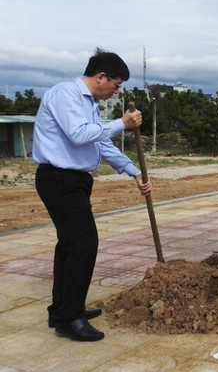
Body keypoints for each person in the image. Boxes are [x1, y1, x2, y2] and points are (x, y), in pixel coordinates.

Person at [33, 48, 152, 342]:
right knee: (84, 243)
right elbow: (80, 135)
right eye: (116, 84)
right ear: (101, 76)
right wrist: (122, 123)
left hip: (74, 180)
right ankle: (69, 319)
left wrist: (133, 170)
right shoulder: (66, 95)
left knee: (71, 245)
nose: (116, 91)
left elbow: (99, 143)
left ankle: (62, 309)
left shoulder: (89, 105)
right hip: (59, 178)